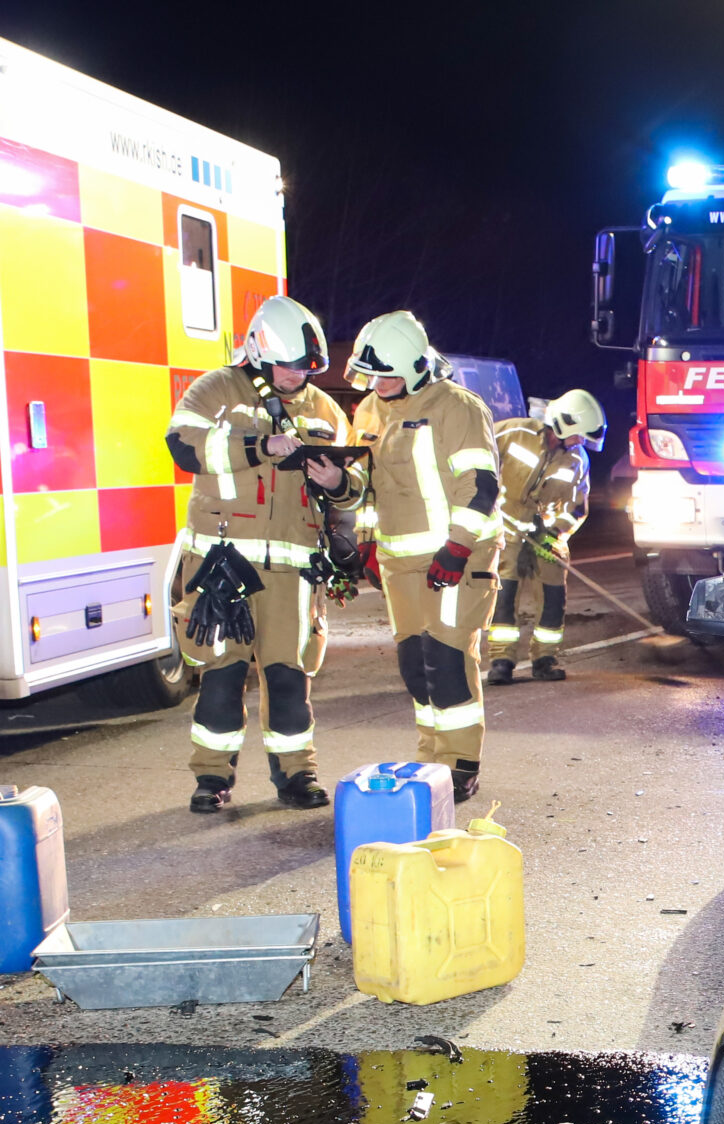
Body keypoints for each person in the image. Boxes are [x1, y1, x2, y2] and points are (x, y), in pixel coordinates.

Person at [165, 295, 362, 813]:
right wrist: (259, 449)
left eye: (305, 367)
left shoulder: (325, 409)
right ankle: (211, 779)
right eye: (287, 365)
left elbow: (356, 485)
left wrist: (339, 481)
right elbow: (182, 445)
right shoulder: (216, 390)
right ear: (257, 350)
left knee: (289, 675)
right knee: (222, 675)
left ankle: (298, 776)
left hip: (294, 571)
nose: (296, 376)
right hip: (223, 562)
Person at [348, 310, 502, 803]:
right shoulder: (370, 410)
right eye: (372, 375)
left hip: (456, 558)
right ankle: (432, 758)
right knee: (416, 665)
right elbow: (372, 489)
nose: (378, 383)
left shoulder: (457, 406)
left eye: (387, 374)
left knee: (448, 660)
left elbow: (479, 484)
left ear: (416, 365)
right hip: (400, 564)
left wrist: (458, 546)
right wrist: (369, 542)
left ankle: (460, 765)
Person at [485, 389, 603, 684]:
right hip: (506, 534)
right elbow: (477, 461)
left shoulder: (577, 460)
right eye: (577, 435)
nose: (580, 443)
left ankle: (544, 660)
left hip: (547, 539)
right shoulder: (514, 432)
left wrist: (555, 532)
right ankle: (502, 660)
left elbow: (577, 507)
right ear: (562, 424)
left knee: (552, 597)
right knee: (504, 596)